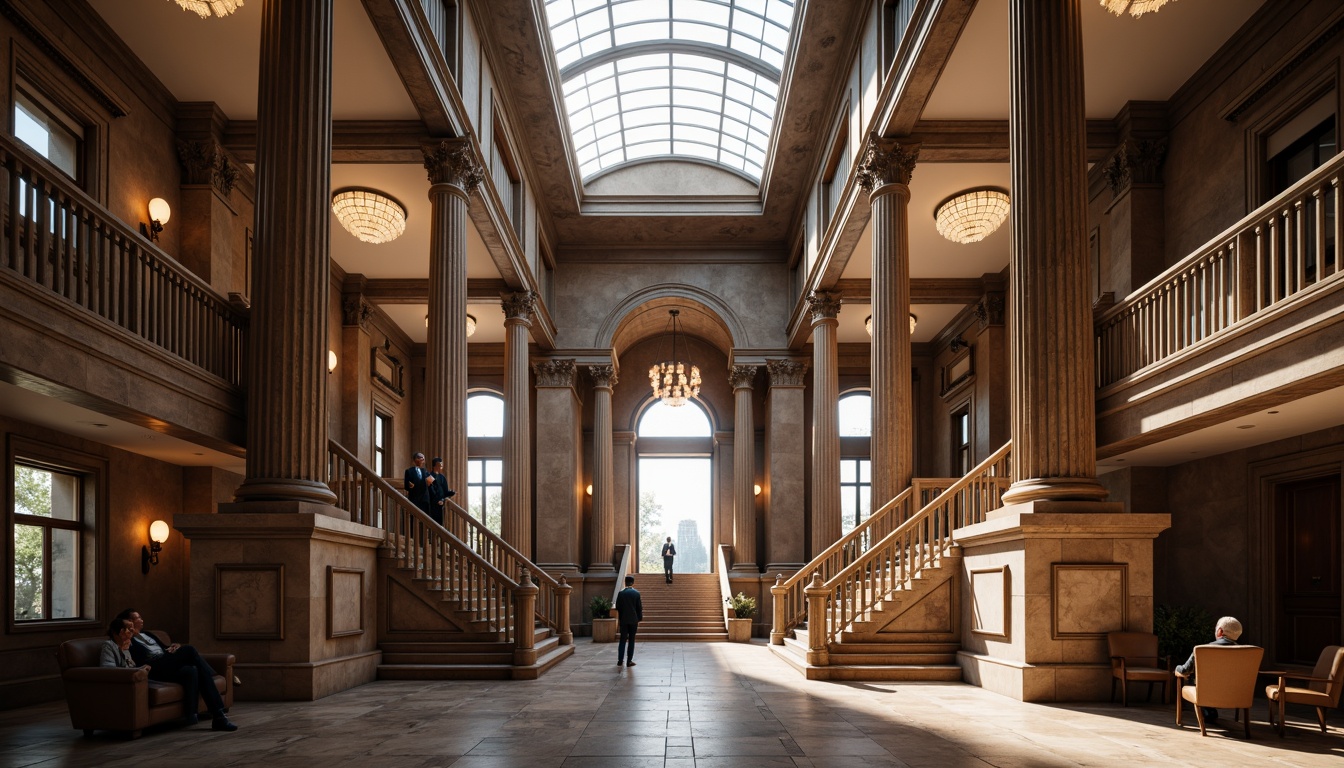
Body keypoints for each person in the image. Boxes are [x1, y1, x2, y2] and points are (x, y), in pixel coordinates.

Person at [115, 609, 238, 732]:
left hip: (167, 661)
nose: (142, 620)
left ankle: (206, 716)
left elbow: (164, 648)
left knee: (191, 670)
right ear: (129, 621)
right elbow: (137, 660)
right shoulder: (128, 639)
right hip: (155, 667)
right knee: (189, 650)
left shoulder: (148, 634)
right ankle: (212, 676)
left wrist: (173, 647)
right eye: (138, 618)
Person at [1175, 615, 1243, 724]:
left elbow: (1184, 670)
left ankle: (1206, 710)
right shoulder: (1247, 653)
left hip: (1206, 694)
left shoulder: (1202, 649)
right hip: (1237, 694)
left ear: (1220, 631)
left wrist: (1176, 668)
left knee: (1186, 677)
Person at [614, 575, 643, 667]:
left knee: (622, 640)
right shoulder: (636, 593)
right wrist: (639, 618)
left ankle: (620, 660)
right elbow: (639, 608)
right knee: (631, 640)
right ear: (633, 582)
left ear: (625, 582)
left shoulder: (621, 593)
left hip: (624, 620)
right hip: (633, 620)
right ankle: (629, 661)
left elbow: (617, 607)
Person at [425, 456, 456, 526]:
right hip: (432, 503)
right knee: (431, 522)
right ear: (434, 466)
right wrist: (437, 500)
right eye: (439, 465)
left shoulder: (442, 477)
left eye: (441, 466)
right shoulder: (429, 476)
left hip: (441, 504)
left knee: (440, 523)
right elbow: (430, 490)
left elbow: (445, 491)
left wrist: (450, 494)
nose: (441, 467)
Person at [403, 452, 434, 516]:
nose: (422, 460)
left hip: (425, 500)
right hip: (414, 498)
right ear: (415, 460)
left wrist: (430, 483)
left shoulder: (426, 472)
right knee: (413, 518)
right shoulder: (409, 471)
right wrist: (410, 486)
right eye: (420, 458)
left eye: (423, 459)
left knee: (425, 519)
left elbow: (432, 484)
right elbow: (406, 486)